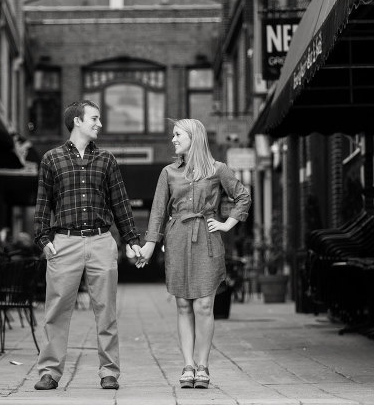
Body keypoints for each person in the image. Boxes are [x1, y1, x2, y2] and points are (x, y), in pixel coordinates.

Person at [32, 99, 143, 391]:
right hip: (64, 241)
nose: (100, 124)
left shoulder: (106, 159)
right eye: (94, 118)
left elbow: (120, 203)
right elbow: (43, 204)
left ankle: (109, 372)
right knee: (56, 311)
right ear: (77, 121)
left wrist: (131, 240)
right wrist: (44, 240)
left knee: (106, 311)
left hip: (100, 241)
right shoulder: (51, 159)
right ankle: (50, 372)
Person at [137, 118, 251, 389]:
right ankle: (188, 365)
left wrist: (226, 223)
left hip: (207, 238)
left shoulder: (217, 169)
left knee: (203, 305)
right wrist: (149, 247)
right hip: (177, 238)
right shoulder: (168, 172)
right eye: (173, 135)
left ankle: (203, 365)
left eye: (178, 135)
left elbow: (242, 196)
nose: (173, 140)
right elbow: (157, 212)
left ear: (194, 137)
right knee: (183, 304)